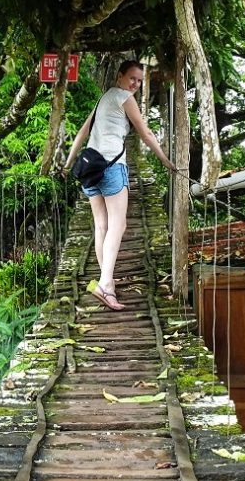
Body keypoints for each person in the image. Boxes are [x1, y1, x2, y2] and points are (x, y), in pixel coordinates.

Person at [64, 60, 175, 311]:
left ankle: (107, 282)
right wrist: (165, 160)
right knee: (119, 224)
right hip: (112, 167)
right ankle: (105, 284)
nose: (135, 84)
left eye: (139, 81)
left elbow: (82, 134)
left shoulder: (103, 99)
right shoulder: (125, 98)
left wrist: (68, 163)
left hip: (89, 167)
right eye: (132, 78)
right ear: (120, 76)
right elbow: (145, 133)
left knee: (101, 225)